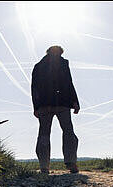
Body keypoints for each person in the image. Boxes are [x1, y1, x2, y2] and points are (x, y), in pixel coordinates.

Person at [31, 45, 80, 174]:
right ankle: (51, 165)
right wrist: (36, 106)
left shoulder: (40, 66)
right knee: (57, 133)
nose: (59, 55)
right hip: (56, 103)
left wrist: (75, 101)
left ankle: (49, 166)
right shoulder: (44, 66)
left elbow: (69, 83)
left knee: (49, 134)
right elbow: (68, 83)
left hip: (52, 104)